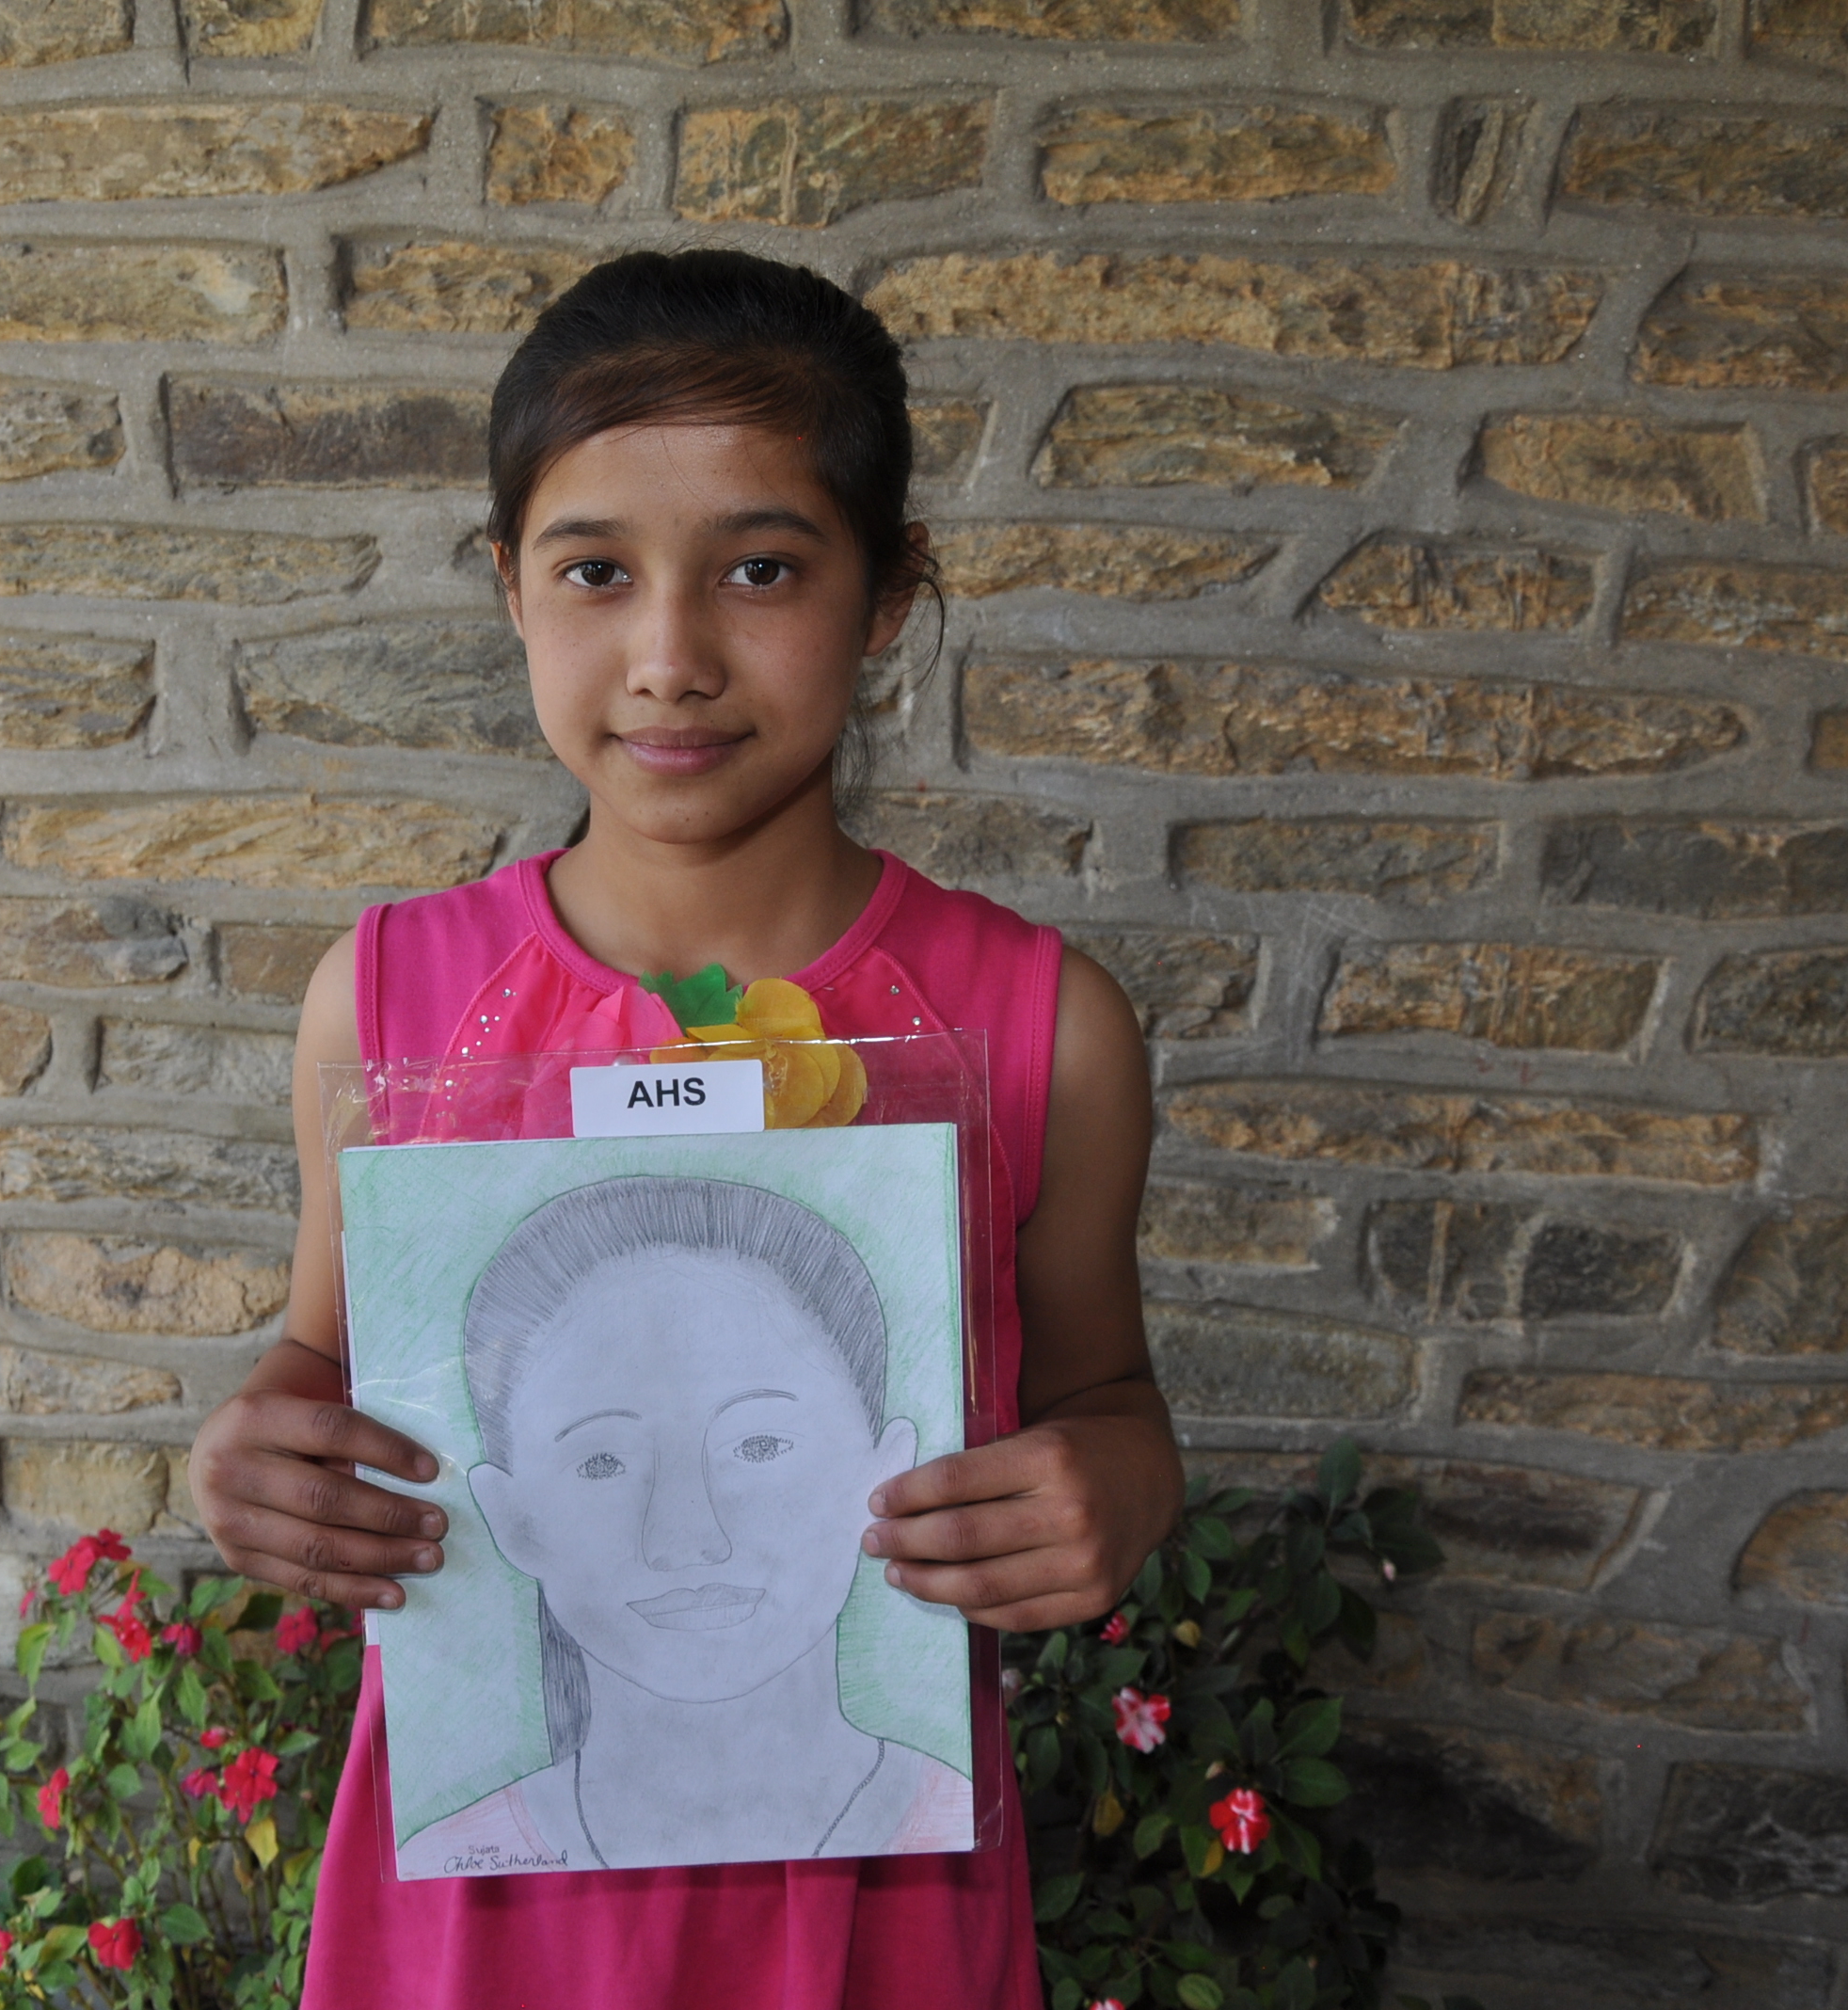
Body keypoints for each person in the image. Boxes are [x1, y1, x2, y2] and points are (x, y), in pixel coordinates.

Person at [187, 247, 1184, 2010]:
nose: (669, 658)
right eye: (595, 571)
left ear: (888, 594)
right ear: (509, 588)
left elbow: (1108, 1397)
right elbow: (322, 1357)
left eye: (761, 569)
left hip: (870, 1914)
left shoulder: (1043, 1029)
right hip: (480, 1932)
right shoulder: (390, 1002)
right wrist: (264, 1454)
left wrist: (1114, 1485)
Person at [408, 1173, 966, 1877]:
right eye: (603, 1462)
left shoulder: (954, 1826)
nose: (688, 1540)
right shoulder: (449, 1862)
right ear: (512, 1520)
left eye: (759, 1446)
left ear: (882, 1474)